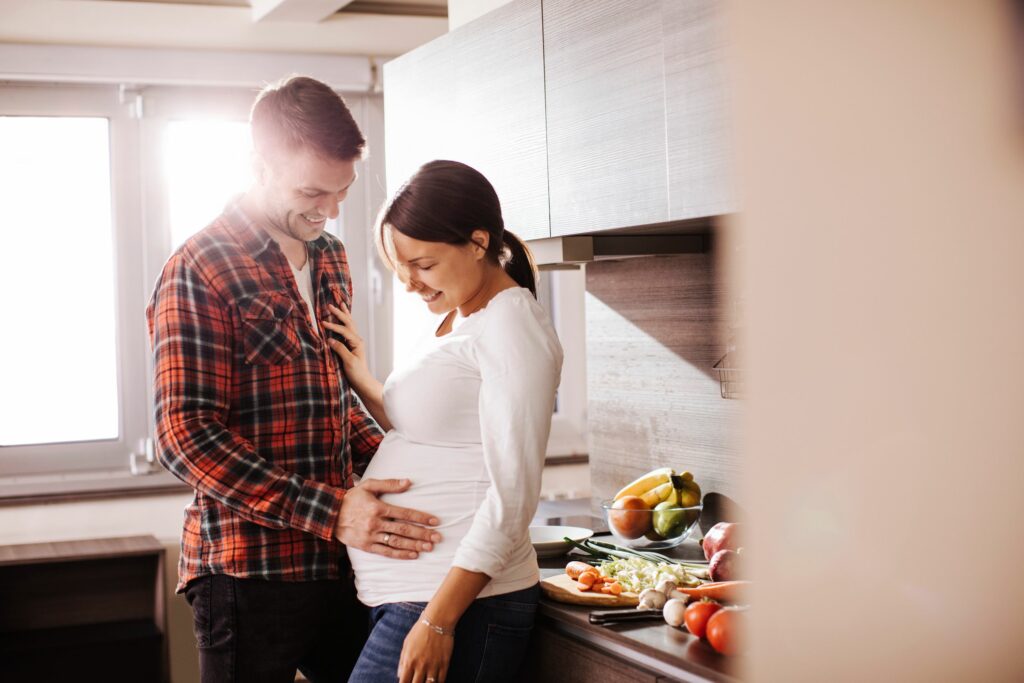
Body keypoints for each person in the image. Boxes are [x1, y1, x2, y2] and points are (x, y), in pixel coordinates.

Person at [146, 75, 441, 683]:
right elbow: (184, 437)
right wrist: (333, 511)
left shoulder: (329, 255)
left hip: (342, 567)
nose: (330, 210)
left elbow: (332, 404)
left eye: (342, 191)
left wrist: (412, 471)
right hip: (247, 572)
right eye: (312, 190)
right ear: (258, 164)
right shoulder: (200, 267)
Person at [321, 159, 563, 683]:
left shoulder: (512, 328)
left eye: (423, 265)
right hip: (416, 597)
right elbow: (427, 428)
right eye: (401, 266)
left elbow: (513, 498)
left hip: (457, 604)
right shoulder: (464, 317)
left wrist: (439, 621)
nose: (410, 283)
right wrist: (362, 375)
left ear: (478, 242)